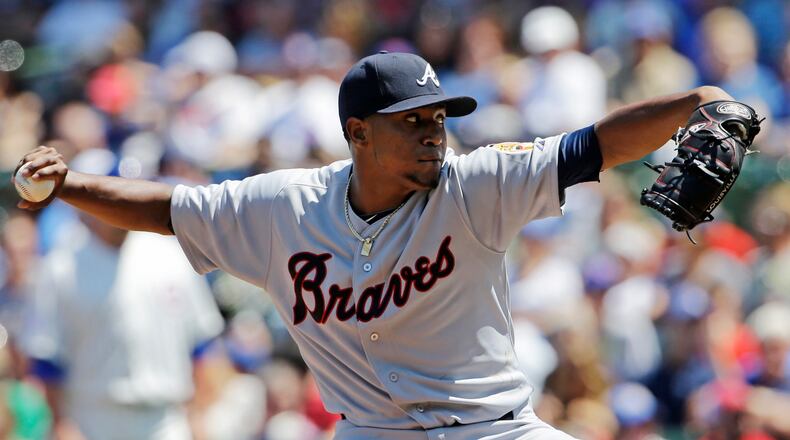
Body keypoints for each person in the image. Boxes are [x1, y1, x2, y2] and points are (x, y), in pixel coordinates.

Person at [16, 51, 736, 439]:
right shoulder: (281, 208)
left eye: (438, 117)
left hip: (493, 431)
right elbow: (169, 207)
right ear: (357, 133)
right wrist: (69, 184)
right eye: (411, 120)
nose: (433, 132)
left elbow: (594, 146)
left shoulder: (477, 185)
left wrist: (692, 103)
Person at [21, 149, 224, 440]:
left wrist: (199, 415)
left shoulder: (171, 255)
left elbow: (202, 346)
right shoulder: (60, 267)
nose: (122, 199)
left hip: (166, 416)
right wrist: (61, 422)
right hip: (93, 419)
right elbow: (46, 359)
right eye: (110, 190)